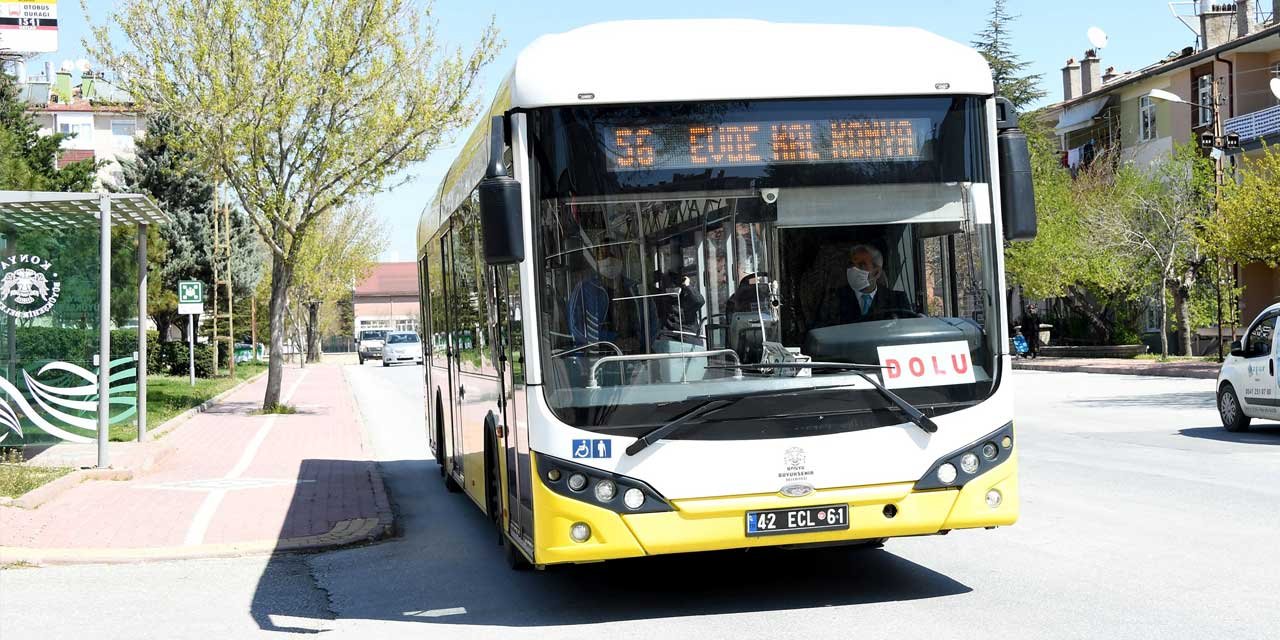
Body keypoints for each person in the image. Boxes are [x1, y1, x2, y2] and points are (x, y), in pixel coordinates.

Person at [567, 240, 655, 352]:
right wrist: (612, 340)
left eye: (614, 255)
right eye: (604, 256)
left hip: (635, 356)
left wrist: (640, 343)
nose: (609, 260)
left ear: (621, 258)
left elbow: (652, 321)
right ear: (597, 261)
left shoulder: (635, 288)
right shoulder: (583, 290)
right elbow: (576, 327)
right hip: (597, 359)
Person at [818, 243, 913, 326]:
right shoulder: (832, 299)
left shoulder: (897, 300)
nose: (853, 269)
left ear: (876, 273)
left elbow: (908, 335)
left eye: (861, 265)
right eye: (851, 264)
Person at [653, 270, 705, 345]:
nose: (673, 288)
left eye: (675, 285)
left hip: (687, 336)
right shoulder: (662, 299)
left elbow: (699, 301)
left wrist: (687, 285)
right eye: (669, 286)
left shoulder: (687, 299)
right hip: (668, 336)